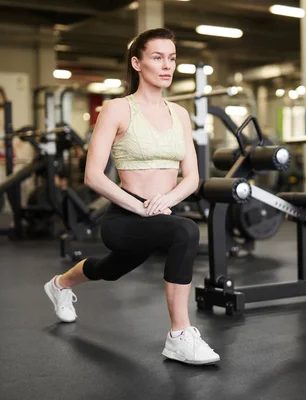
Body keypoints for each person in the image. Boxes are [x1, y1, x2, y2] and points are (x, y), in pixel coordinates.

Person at [43, 28, 220, 366]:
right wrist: (141, 206)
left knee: (110, 270)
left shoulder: (180, 114)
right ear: (137, 63)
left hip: (160, 214)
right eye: (157, 57)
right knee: (186, 231)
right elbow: (93, 175)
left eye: (171, 58)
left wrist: (166, 202)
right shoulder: (116, 109)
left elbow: (193, 177)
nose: (167, 65)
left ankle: (60, 285)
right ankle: (179, 335)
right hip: (124, 217)